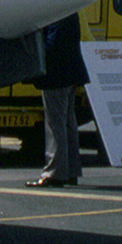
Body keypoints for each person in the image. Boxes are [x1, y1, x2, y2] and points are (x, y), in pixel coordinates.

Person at [28, 12, 88, 188]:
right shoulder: (71, 11)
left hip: (56, 74)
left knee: (56, 124)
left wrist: (35, 56)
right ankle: (71, 170)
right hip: (70, 73)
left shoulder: (56, 13)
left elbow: (53, 44)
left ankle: (54, 172)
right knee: (68, 123)